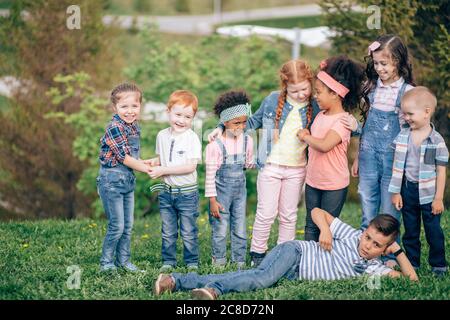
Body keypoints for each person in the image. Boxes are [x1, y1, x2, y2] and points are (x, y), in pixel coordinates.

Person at [208, 59, 358, 267]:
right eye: (294, 90)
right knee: (266, 213)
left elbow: (340, 122)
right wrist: (221, 127)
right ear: (285, 86)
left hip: (297, 169)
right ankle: (258, 254)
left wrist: (355, 123)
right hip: (270, 167)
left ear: (311, 84)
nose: (301, 94)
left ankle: (283, 255)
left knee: (289, 215)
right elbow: (251, 122)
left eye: (305, 89)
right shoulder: (272, 100)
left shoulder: (316, 105)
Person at [153, 210, 418, 300]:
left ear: (384, 250)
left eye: (376, 245)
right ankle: (214, 291)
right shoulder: (351, 235)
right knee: (260, 279)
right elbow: (317, 212)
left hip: (293, 273)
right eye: (367, 237)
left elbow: (412, 281)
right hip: (295, 253)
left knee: (253, 276)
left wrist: (398, 251)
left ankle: (175, 281)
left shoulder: (375, 269)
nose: (367, 245)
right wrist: (325, 229)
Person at [298, 56, 365, 241]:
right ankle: (308, 263)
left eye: (319, 92)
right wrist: (308, 132)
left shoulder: (342, 121)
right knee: (311, 224)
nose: (315, 96)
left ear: (335, 93)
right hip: (313, 181)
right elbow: (316, 137)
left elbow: (325, 145)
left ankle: (326, 264)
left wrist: (305, 137)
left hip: (333, 185)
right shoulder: (321, 116)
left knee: (327, 226)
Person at [389, 87, 448, 277]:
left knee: (433, 231)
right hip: (408, 190)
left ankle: (438, 265)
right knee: (410, 230)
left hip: (429, 194)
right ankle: (413, 262)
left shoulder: (436, 140)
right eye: (404, 113)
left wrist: (438, 198)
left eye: (410, 114)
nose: (406, 118)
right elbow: (397, 166)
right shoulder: (403, 136)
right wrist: (396, 191)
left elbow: (441, 170)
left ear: (427, 112)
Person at [146, 90, 202, 272]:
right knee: (168, 231)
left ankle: (191, 261)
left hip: (187, 194)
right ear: (168, 111)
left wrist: (163, 169)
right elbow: (162, 158)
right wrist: (155, 162)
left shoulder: (192, 138)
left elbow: (190, 167)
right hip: (166, 192)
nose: (182, 120)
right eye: (178, 114)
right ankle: (168, 261)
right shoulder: (161, 135)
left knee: (188, 231)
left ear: (193, 118)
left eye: (188, 117)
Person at [97, 83, 150, 272]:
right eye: (124, 107)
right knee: (117, 226)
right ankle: (106, 263)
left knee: (128, 226)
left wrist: (149, 162)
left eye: (134, 106)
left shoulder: (134, 128)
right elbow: (124, 158)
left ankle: (124, 261)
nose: (130, 111)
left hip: (127, 182)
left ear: (140, 106)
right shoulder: (114, 127)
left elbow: (133, 158)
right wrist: (145, 169)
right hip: (111, 183)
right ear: (115, 108)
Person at [205, 90, 254, 268]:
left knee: (240, 227)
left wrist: (261, 162)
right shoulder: (215, 146)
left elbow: (249, 164)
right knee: (220, 229)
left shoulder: (248, 141)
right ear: (225, 122)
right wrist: (212, 200)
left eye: (243, 122)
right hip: (220, 195)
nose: (240, 127)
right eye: (236, 123)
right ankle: (218, 261)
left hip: (240, 193)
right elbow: (210, 176)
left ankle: (239, 261)